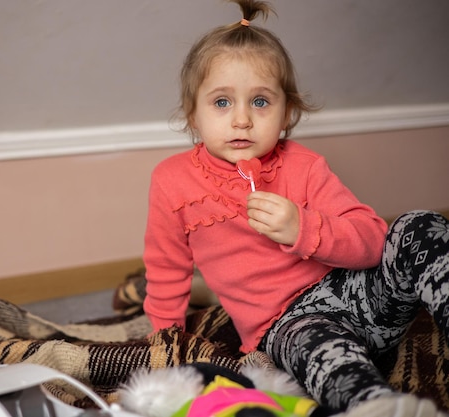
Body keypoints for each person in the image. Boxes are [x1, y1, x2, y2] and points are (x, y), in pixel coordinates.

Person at [142, 0, 449, 415]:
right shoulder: (172, 179)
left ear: (287, 114)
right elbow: (166, 269)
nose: (242, 120)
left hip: (357, 295)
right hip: (285, 326)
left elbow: (374, 240)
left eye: (261, 102)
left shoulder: (302, 165)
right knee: (319, 345)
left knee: (421, 224)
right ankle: (376, 405)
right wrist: (165, 349)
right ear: (192, 115)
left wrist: (303, 228)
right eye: (221, 103)